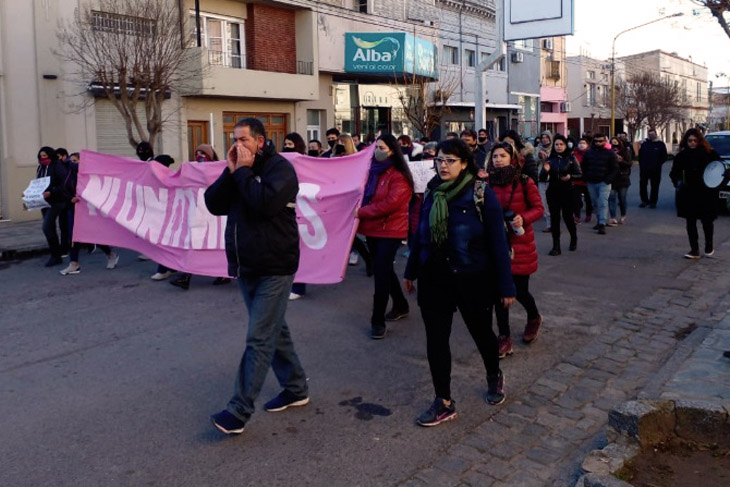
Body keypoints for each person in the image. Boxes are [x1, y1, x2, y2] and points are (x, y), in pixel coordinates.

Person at [205, 117, 309, 435]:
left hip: (275, 266)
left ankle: (239, 410)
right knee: (275, 332)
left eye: (244, 140)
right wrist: (232, 171)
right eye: (234, 140)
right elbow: (213, 204)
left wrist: (245, 173)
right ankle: (295, 388)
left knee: (259, 338)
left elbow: (264, 204)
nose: (238, 146)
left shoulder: (281, 170)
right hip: (247, 265)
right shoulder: (239, 170)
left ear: (261, 141)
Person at [404, 138, 516, 426]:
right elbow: (421, 234)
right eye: (439, 159)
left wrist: (506, 286)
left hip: (472, 277)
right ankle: (443, 401)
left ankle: (494, 374)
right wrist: (411, 269)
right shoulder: (431, 192)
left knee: (481, 333)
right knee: (436, 341)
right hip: (434, 277)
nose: (443, 165)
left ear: (464, 163)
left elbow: (498, 243)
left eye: (450, 160)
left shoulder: (480, 193)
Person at [488, 142, 544, 358]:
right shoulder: (487, 182)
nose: (498, 160)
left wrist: (524, 217)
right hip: (496, 242)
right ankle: (504, 337)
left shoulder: (524, 180)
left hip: (520, 243)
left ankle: (534, 317)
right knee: (499, 293)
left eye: (502, 155)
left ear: (512, 158)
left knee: (519, 290)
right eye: (495, 156)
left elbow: (538, 208)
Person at [356, 134, 413, 339]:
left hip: (391, 230)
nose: (378, 151)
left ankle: (377, 321)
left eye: (383, 147)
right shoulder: (372, 172)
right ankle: (400, 304)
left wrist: (361, 212)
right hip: (372, 229)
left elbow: (390, 204)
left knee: (381, 273)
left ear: (393, 150)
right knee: (385, 269)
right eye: (376, 147)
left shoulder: (399, 176)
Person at [170, 145, 231, 290]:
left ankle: (222, 274)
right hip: (198, 213)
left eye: (203, 153)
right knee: (194, 243)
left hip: (215, 214)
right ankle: (185, 276)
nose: (199, 156)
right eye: (197, 153)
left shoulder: (220, 169)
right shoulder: (193, 169)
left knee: (218, 246)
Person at [58, 153, 119, 275]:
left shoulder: (90, 175)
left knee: (94, 235)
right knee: (74, 236)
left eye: (75, 161)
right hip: (74, 209)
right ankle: (74, 263)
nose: (72, 163)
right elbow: (63, 190)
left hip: (88, 210)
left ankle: (110, 254)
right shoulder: (69, 175)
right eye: (71, 160)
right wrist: (71, 198)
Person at [669, 129, 720, 259]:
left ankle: (709, 245)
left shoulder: (709, 153)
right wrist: (678, 183)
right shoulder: (682, 156)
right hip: (688, 192)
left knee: (707, 221)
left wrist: (720, 176)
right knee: (690, 222)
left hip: (706, 192)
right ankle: (694, 249)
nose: (692, 143)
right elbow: (674, 173)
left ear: (700, 141)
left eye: (695, 140)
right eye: (689, 140)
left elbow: (719, 167)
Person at [540, 134, 582, 255]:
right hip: (553, 192)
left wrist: (570, 176)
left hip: (568, 191)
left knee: (568, 218)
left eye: (561, 144)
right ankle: (556, 246)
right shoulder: (550, 159)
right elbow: (542, 178)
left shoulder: (571, 159)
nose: (558, 147)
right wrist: (545, 170)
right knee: (555, 218)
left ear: (565, 145)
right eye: (556, 144)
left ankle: (573, 238)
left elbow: (580, 174)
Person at [41, 147, 74, 267]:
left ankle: (56, 255)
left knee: (46, 227)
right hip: (44, 202)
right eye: (41, 156)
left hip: (57, 201)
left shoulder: (57, 166)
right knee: (50, 228)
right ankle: (56, 255)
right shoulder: (41, 167)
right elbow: (38, 183)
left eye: (45, 155)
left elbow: (64, 183)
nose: (42, 158)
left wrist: (52, 192)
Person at [581, 134, 619, 235]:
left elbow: (615, 168)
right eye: (596, 141)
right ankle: (599, 221)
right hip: (591, 182)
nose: (598, 143)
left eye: (600, 141)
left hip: (604, 182)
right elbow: (583, 166)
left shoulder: (609, 153)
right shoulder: (588, 153)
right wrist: (586, 178)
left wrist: (608, 180)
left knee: (603, 202)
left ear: (604, 142)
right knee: (595, 203)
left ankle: (602, 223)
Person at [638, 128, 668, 209]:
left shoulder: (660, 144)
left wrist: (658, 164)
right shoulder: (644, 144)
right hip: (644, 169)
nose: (651, 135)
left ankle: (653, 202)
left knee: (655, 186)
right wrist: (641, 164)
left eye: (652, 134)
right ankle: (644, 201)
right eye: (650, 134)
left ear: (656, 134)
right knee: (643, 185)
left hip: (656, 170)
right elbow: (640, 155)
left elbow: (664, 156)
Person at [607, 137, 632, 226]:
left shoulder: (625, 152)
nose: (614, 145)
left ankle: (623, 215)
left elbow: (629, 164)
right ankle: (613, 217)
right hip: (612, 179)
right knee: (612, 198)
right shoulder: (609, 152)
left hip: (623, 178)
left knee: (622, 198)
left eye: (616, 142)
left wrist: (621, 161)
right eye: (612, 143)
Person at [572, 137, 593, 223]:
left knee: (588, 199)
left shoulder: (591, 153)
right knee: (576, 199)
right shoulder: (574, 154)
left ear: (587, 145)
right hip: (577, 180)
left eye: (583, 143)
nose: (581, 145)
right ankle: (577, 216)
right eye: (580, 143)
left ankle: (588, 214)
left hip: (588, 180)